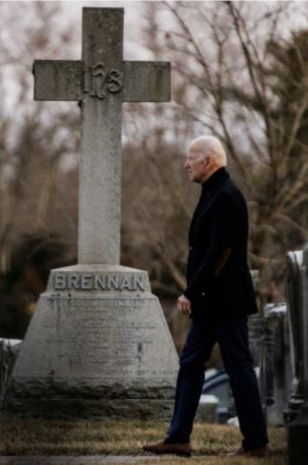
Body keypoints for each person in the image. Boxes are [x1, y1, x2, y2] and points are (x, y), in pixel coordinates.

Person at [142, 136, 269, 458]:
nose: (186, 164)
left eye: (191, 158)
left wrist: (191, 291)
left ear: (208, 161)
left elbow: (219, 252)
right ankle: (178, 437)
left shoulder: (226, 195)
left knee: (238, 368)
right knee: (190, 364)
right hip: (210, 301)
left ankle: (256, 443)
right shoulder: (214, 192)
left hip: (225, 301)